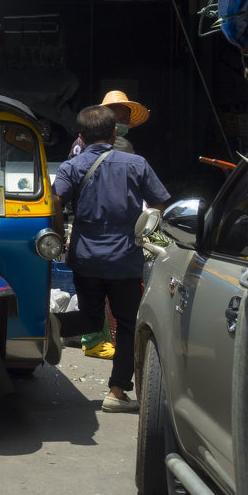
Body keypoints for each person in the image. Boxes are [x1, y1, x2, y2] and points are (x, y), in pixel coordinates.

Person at [48, 105, 169, 413]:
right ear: (114, 133)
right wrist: (146, 234)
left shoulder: (71, 166)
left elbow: (55, 200)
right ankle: (116, 391)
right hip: (124, 260)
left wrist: (60, 236)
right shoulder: (136, 163)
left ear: (81, 137)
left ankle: (54, 325)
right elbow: (157, 203)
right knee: (128, 325)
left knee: (90, 317)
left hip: (85, 257)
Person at [66, 90, 150, 359]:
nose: (122, 119)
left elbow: (59, 199)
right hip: (117, 249)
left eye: (126, 115)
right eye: (118, 115)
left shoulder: (83, 154)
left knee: (93, 310)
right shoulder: (127, 157)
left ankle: (60, 328)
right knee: (124, 318)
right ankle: (114, 378)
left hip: (88, 249)